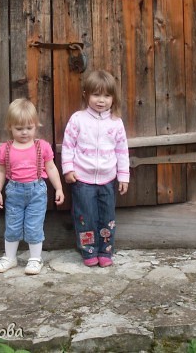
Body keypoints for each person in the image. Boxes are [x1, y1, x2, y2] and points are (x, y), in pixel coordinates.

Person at [61, 70, 129, 268]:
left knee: (107, 217)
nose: (101, 101)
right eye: (96, 95)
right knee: (85, 217)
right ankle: (88, 250)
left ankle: (105, 251)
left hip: (108, 180)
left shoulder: (116, 123)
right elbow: (68, 146)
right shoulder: (78, 119)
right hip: (82, 180)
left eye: (107, 96)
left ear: (113, 98)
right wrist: (68, 169)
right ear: (86, 95)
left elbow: (122, 150)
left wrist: (123, 176)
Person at [0, 98, 64, 275]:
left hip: (36, 192)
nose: (24, 132)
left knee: (34, 226)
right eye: (19, 129)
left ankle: (35, 259)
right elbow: (1, 171)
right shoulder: (5, 149)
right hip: (14, 191)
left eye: (29, 128)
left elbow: (51, 168)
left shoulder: (42, 147)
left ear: (36, 125)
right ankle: (10, 258)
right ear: (10, 127)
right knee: (12, 225)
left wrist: (59, 188)